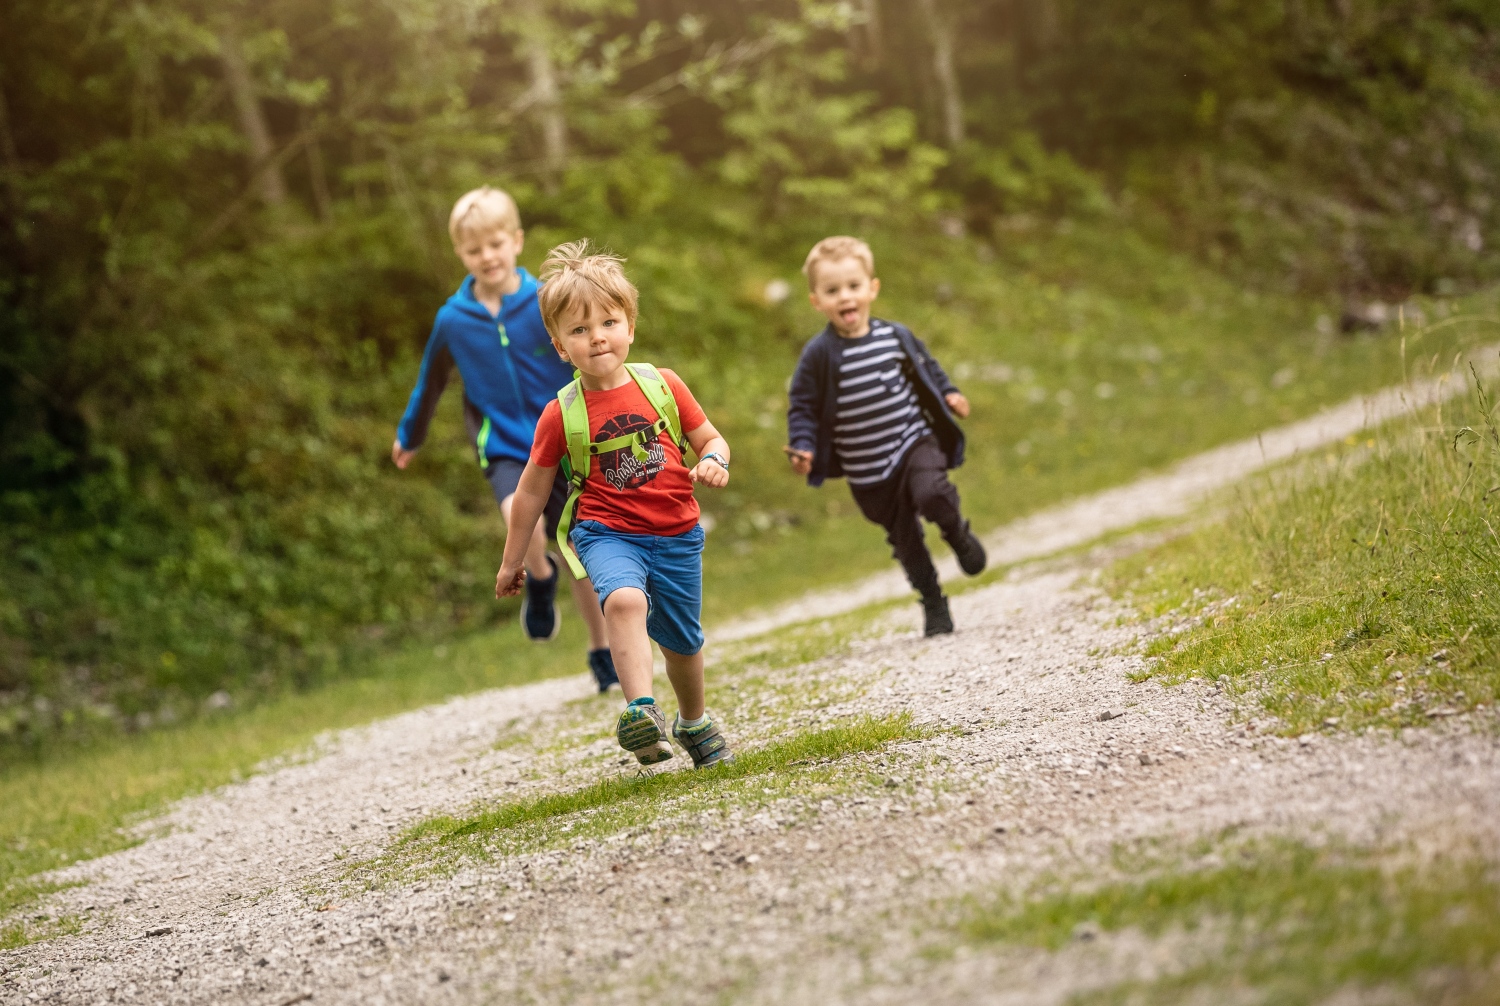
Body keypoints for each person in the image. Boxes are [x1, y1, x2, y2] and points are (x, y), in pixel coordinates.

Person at [495, 241, 734, 769]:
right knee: (623, 601)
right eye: (579, 330)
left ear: (630, 326)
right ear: (560, 346)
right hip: (606, 532)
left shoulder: (662, 386)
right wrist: (514, 560)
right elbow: (532, 491)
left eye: (607, 322)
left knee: (683, 644)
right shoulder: (561, 415)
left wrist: (715, 461)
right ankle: (641, 713)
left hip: (675, 533)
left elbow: (711, 439)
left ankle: (692, 721)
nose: (596, 337)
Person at [391, 187, 617, 690]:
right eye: (474, 250)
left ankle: (602, 650)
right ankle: (537, 576)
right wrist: (412, 433)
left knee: (582, 551)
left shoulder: (544, 303)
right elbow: (431, 380)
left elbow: (585, 350)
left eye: (495, 244)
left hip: (566, 438)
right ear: (461, 255)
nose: (486, 257)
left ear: (515, 241)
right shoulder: (453, 320)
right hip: (506, 446)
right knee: (522, 519)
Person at [784, 235, 987, 636]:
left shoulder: (895, 337)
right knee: (905, 541)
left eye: (854, 286)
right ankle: (933, 601)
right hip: (868, 470)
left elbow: (929, 367)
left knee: (932, 492)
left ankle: (957, 534)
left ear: (872, 289)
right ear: (817, 301)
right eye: (832, 290)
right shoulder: (819, 355)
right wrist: (803, 445)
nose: (845, 297)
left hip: (913, 441)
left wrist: (950, 394)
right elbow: (803, 406)